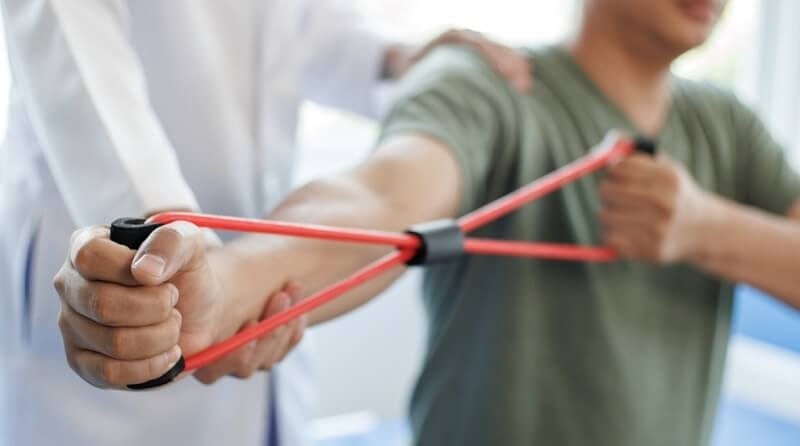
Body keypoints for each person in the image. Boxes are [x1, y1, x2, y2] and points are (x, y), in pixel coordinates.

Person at [55, 0, 800, 445]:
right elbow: (378, 199)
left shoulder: (730, 131)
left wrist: (707, 229)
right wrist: (226, 286)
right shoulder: (489, 87)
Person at [0, 0, 532, 445]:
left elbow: (293, 25)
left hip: (254, 299)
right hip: (120, 318)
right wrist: (179, 253)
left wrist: (393, 57)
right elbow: (76, 71)